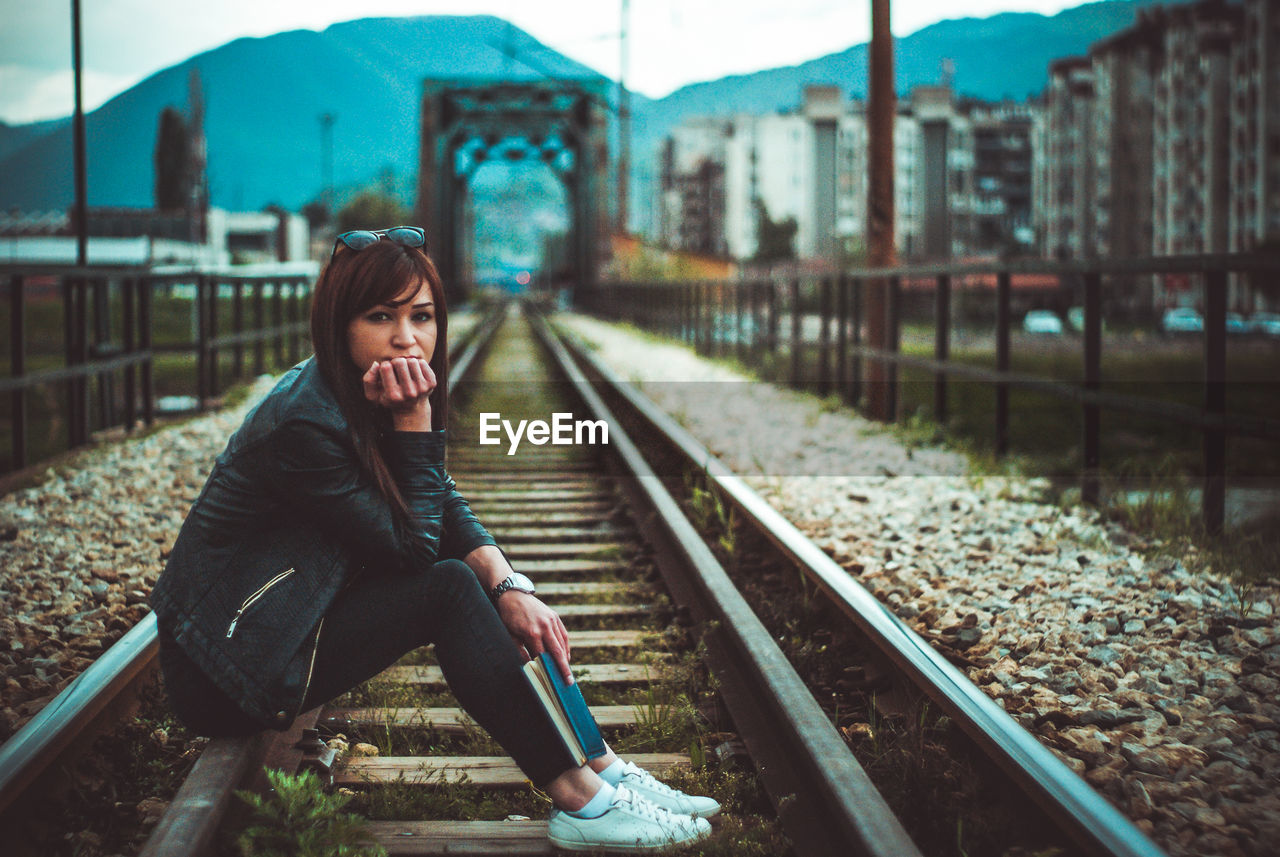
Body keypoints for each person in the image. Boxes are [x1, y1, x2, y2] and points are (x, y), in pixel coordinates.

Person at [149, 227, 719, 852]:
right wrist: (415, 425)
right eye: (380, 317)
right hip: (229, 667)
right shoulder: (304, 423)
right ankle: (583, 803)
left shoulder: (352, 387)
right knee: (447, 587)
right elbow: (415, 549)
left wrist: (507, 585)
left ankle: (601, 766)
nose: (406, 337)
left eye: (422, 317)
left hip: (284, 624)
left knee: (484, 586)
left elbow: (437, 496)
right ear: (339, 323)